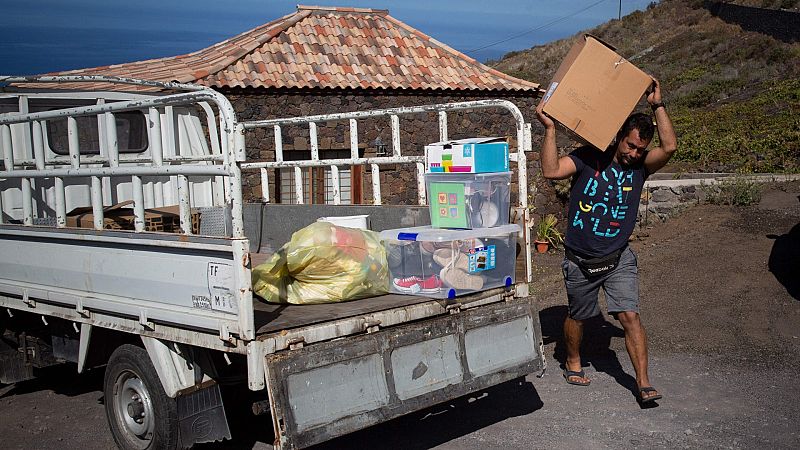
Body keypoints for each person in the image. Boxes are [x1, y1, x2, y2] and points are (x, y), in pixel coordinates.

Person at [535, 79, 677, 404]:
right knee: (578, 316)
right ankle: (572, 359)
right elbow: (551, 170)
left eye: (640, 149)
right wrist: (550, 128)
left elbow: (669, 147)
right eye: (630, 145)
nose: (634, 153)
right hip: (580, 260)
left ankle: (642, 382)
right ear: (618, 138)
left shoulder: (640, 168)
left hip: (618, 258)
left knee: (630, 316)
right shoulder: (589, 157)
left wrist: (658, 104)